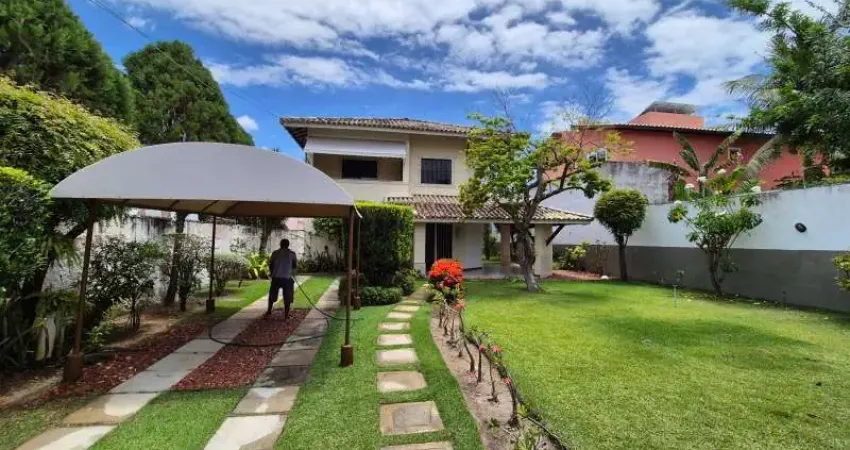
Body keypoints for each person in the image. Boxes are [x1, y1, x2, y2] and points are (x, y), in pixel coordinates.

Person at [267, 239, 297, 318]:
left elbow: (271, 266)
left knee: (272, 294)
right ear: (288, 245)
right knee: (288, 296)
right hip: (287, 278)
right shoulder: (292, 254)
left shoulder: (275, 253)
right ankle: (286, 315)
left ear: (280, 244)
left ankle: (269, 311)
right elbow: (294, 266)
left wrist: (273, 273)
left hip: (276, 277)